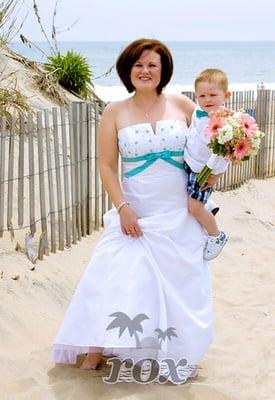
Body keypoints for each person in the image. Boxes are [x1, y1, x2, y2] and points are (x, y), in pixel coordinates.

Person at [50, 39, 214, 383]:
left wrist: (214, 170)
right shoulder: (114, 111)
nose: (145, 71)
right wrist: (123, 208)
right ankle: (96, 346)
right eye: (138, 65)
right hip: (135, 211)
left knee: (180, 285)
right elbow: (108, 167)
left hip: (177, 214)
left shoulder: (183, 105)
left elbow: (207, 146)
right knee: (112, 276)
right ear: (128, 69)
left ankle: (180, 352)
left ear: (163, 70)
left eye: (152, 65)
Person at [184, 68, 231, 261]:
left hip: (203, 171)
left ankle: (216, 235)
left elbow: (222, 154)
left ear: (226, 95)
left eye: (213, 94)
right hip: (189, 163)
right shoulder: (198, 113)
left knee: (194, 208)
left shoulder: (225, 124)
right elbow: (193, 133)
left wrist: (212, 172)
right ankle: (209, 203)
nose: (207, 99)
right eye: (202, 95)